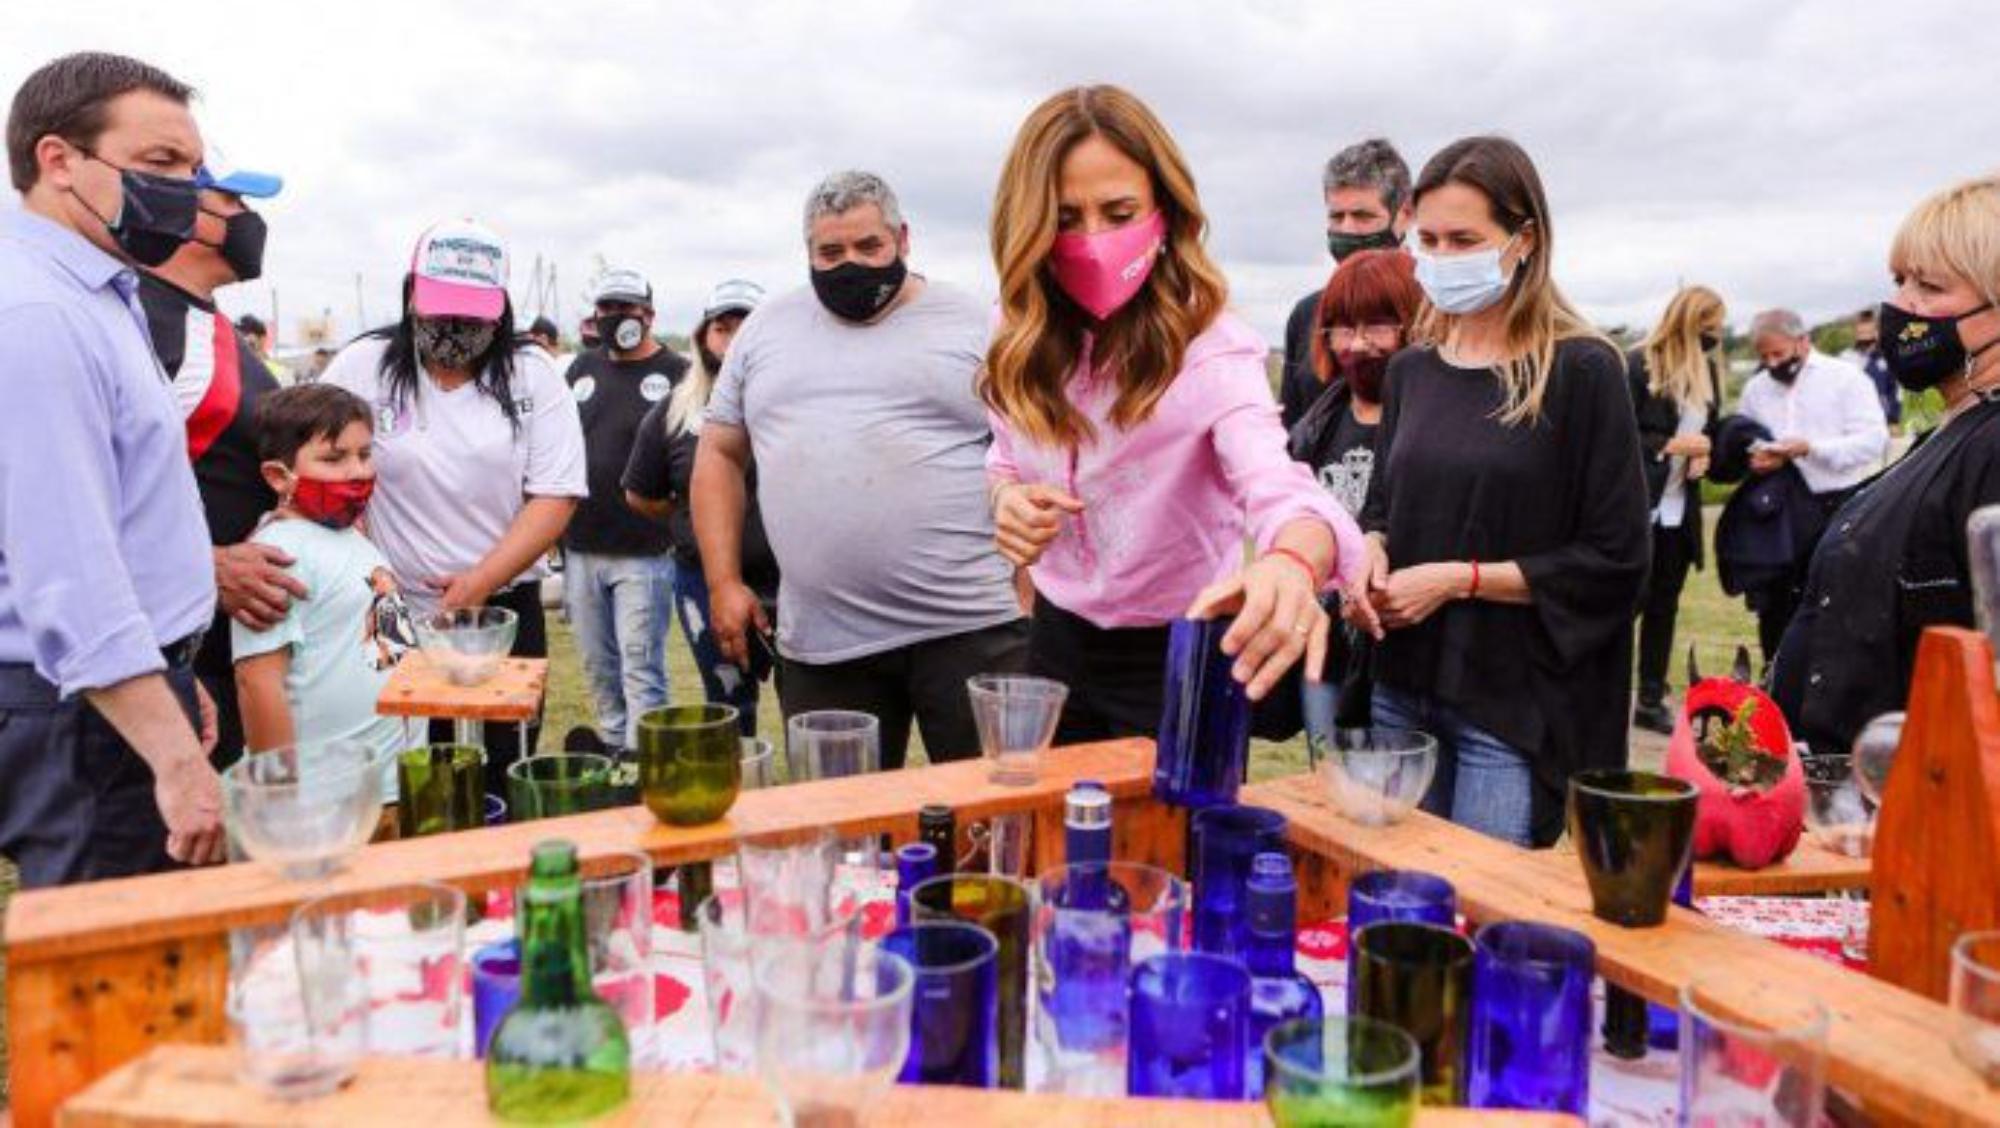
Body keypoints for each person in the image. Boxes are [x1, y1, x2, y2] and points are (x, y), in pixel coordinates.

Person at [983, 85, 1361, 742]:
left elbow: (1280, 487)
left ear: (1165, 211)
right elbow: (1006, 459)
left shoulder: (1210, 348)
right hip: (1054, 643)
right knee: (1053, 839)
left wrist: (1292, 564)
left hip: (1180, 652)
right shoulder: (1017, 336)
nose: (1093, 240)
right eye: (1066, 219)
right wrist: (1008, 500)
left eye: (1118, 211)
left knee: (1179, 846)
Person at [1344, 136, 1650, 848]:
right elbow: (1386, 504)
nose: (1444, 257)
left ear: (1524, 240)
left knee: (1485, 915)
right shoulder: (1413, 372)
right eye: (1428, 240)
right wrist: (1369, 546)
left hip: (1506, 708)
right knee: (1391, 902)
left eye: (1464, 239)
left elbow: (1616, 559)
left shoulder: (1582, 371)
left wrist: (1459, 580)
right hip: (1398, 684)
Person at [691, 170, 1027, 769]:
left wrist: (1031, 585)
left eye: (869, 247)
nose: (852, 264)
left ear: (903, 238)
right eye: (832, 252)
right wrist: (723, 581)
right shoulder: (765, 329)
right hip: (825, 642)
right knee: (840, 836)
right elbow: (718, 453)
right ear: (809, 253)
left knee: (995, 820)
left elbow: (1033, 452)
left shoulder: (976, 322)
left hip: (972, 626)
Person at [0, 51, 226, 885]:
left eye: (194, 168)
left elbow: (128, 519)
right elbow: (70, 571)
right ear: (58, 161)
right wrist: (171, 756)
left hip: (119, 692)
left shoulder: (97, 291)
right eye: (160, 165)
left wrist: (169, 668)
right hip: (81, 722)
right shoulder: (37, 314)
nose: (188, 190)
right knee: (127, 993)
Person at [321, 219, 585, 791]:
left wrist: (482, 580)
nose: (454, 328)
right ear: (411, 293)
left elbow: (554, 495)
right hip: (386, 607)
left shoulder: (533, 374)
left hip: (501, 608)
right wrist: (363, 560)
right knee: (403, 766)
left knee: (500, 768)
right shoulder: (361, 366)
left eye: (472, 313)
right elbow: (320, 460)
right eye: (440, 308)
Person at [1773, 175, 2000, 761]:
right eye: (1899, 280)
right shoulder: (1947, 433)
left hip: (1923, 814)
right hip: (1850, 806)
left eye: (1929, 286)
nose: (1902, 307)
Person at [139, 142, 293, 766]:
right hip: (170, 653)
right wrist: (199, 566)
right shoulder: (143, 319)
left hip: (230, 645)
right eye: (232, 200)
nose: (249, 219)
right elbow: (83, 492)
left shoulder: (210, 322)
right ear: (185, 211)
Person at [232, 383, 417, 792]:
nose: (357, 471)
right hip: (326, 802)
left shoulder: (349, 536)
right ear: (279, 477)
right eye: (334, 459)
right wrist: (278, 795)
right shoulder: (277, 553)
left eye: (365, 455)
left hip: (385, 787)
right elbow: (258, 683)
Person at [624, 278, 774, 737]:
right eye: (722, 328)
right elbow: (640, 493)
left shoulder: (796, 405)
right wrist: (694, 522)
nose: (733, 340)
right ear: (704, 337)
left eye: (746, 327)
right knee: (729, 703)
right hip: (702, 579)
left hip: (791, 579)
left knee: (808, 701)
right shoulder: (674, 411)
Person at [1285, 248, 1423, 733]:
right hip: (1326, 657)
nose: (1358, 344)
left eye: (1378, 326)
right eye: (1343, 328)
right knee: (1328, 787)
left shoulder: (1428, 434)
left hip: (1398, 666)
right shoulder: (1316, 424)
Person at [558, 268, 686, 754]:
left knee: (641, 669)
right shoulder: (582, 370)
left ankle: (646, 762)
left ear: (649, 315)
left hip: (645, 551)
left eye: (626, 308)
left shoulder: (678, 373)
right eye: (606, 308)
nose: (615, 317)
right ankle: (614, 752)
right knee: (597, 668)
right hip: (582, 546)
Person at [1721, 308, 1887, 662]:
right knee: (1776, 607)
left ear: (1803, 341)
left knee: (1835, 603)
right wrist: (1757, 458)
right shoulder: (1755, 388)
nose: (1771, 363)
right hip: (1781, 510)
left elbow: (1873, 440)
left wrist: (1812, 448)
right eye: (1764, 357)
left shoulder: (1846, 378)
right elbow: (1749, 438)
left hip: (1838, 504)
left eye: (1778, 354)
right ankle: (1775, 688)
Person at [1628, 285, 1727, 734]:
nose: (1715, 338)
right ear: (1688, 324)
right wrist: (1669, 446)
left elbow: (1711, 433)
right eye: (1709, 329)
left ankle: (1650, 698)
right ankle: (1600, 690)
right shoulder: (1637, 365)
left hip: (1677, 511)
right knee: (1623, 605)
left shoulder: (1706, 375)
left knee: (1663, 608)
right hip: (1636, 511)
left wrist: (1704, 455)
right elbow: (1618, 436)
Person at [1279, 139, 1413, 428]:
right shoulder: (1307, 315)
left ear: (1405, 215)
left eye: (1363, 216)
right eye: (1337, 216)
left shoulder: (1431, 308)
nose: (1347, 230)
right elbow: (1289, 431)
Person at [1843, 307, 1901, 430]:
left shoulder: (1888, 356)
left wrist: (1894, 419)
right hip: (1854, 420)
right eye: (1861, 333)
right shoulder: (1846, 358)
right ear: (1856, 333)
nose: (1865, 337)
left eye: (1868, 332)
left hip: (1883, 419)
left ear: (1876, 332)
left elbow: (1894, 390)